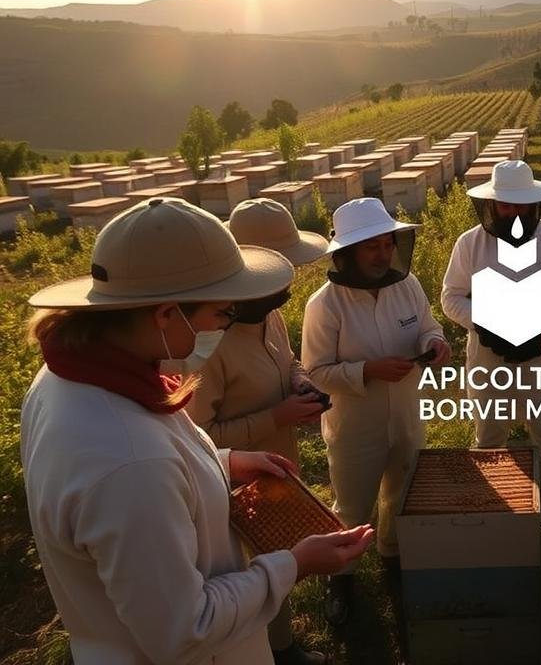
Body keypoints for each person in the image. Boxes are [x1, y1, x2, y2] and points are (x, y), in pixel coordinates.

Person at [20, 197, 374, 665]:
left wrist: (224, 462)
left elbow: (164, 461)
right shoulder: (130, 464)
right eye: (221, 313)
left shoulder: (68, 379)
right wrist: (294, 564)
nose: (224, 324)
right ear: (167, 315)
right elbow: (186, 630)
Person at [187, 198, 330, 665]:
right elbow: (199, 439)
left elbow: (285, 360)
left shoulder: (267, 316)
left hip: (276, 464)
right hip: (232, 489)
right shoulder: (205, 346)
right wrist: (278, 416)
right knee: (250, 573)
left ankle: (283, 647)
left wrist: (300, 382)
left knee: (278, 557)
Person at [302, 197, 451, 626]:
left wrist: (435, 343)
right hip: (354, 426)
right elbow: (316, 371)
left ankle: (392, 558)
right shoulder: (324, 305)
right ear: (347, 253)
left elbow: (428, 325)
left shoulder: (408, 285)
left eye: (387, 244)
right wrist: (367, 371)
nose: (384, 254)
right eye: (373, 247)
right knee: (351, 505)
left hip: (406, 414)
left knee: (400, 493)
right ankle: (341, 579)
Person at [441, 160, 541, 540]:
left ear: (536, 205)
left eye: (523, 206)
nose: (516, 213)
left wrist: (538, 324)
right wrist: (486, 321)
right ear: (492, 206)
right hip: (488, 358)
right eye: (507, 206)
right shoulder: (469, 243)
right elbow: (451, 297)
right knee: (489, 435)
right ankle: (495, 522)